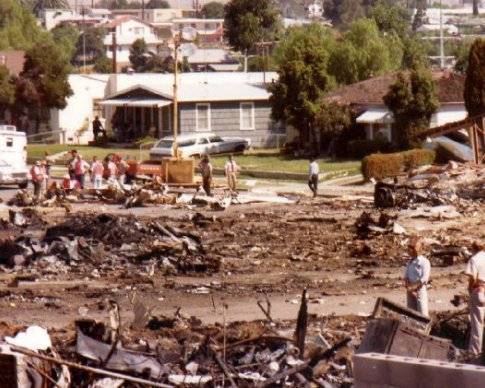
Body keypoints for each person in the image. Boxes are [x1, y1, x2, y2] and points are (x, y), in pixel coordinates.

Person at [465, 240, 485, 356]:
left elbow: (473, 277)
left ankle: (475, 352)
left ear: (473, 248)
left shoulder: (474, 259)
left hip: (479, 290)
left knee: (477, 323)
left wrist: (470, 289)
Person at [404, 238, 431, 316]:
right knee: (411, 315)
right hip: (410, 291)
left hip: (420, 290)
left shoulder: (424, 262)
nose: (409, 250)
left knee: (423, 314)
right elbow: (406, 277)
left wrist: (413, 288)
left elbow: (424, 279)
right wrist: (410, 289)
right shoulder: (410, 262)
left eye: (411, 248)